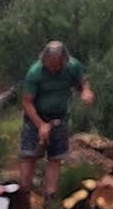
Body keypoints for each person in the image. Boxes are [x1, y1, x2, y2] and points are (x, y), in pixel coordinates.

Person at [14, 39, 93, 186]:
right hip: (35, 119)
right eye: (50, 64)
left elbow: (83, 81)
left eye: (57, 65)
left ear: (64, 61)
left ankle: (50, 196)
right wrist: (40, 125)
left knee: (55, 158)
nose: (53, 68)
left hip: (59, 118)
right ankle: (23, 192)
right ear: (44, 60)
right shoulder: (35, 72)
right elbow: (26, 102)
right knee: (29, 156)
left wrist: (86, 90)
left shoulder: (73, 66)